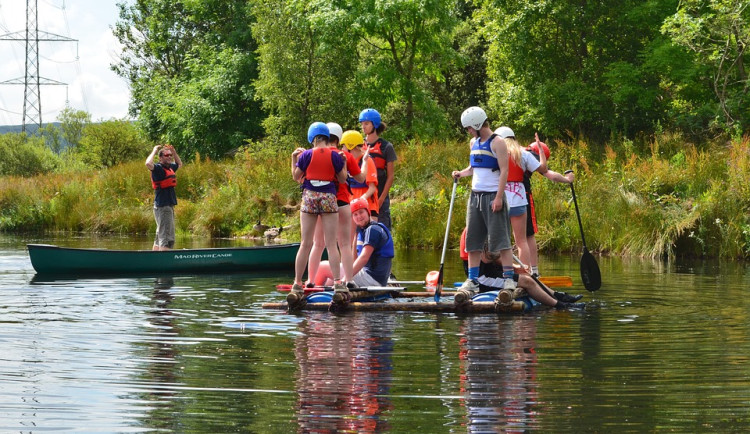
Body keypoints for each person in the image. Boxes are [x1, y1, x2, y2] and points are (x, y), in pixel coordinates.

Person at [452, 106, 517, 309]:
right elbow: (473, 168)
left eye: (470, 128)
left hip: (492, 197)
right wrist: (461, 173)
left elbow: (504, 171)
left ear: (479, 124)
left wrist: (498, 198)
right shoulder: (473, 142)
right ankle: (472, 280)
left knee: (501, 239)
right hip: (475, 196)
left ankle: (508, 279)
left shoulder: (497, 142)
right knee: (473, 239)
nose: (468, 132)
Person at [288, 122, 348, 309]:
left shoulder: (305, 155)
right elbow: (343, 179)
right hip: (329, 197)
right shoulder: (335, 155)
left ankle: (298, 283)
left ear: (312, 138)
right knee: (331, 244)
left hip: (310, 197)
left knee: (306, 243)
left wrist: (293, 159)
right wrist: (343, 163)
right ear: (326, 137)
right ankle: (338, 283)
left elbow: (296, 177)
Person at [305, 124, 367, 288]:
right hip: (342, 203)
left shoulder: (313, 154)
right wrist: (365, 162)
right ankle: (348, 280)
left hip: (321, 205)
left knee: (318, 244)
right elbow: (360, 179)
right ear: (338, 138)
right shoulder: (344, 155)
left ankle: (310, 280)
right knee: (345, 244)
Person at [523, 135, 574, 276]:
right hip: (522, 196)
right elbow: (551, 175)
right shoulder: (531, 156)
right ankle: (533, 272)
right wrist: (568, 180)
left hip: (500, 195)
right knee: (529, 235)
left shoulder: (516, 151)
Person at [359, 108, 397, 231]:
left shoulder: (387, 146)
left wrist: (381, 199)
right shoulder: (358, 146)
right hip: (363, 195)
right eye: (362, 124)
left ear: (374, 124)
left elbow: (390, 176)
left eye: (366, 123)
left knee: (382, 232)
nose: (363, 127)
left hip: (380, 196)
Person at [349, 197, 394, 287]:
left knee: (324, 267)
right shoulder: (362, 231)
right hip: (370, 276)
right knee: (332, 270)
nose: (359, 217)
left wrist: (345, 279)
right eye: (355, 214)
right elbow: (354, 261)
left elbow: (364, 258)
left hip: (372, 279)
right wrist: (356, 234)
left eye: (361, 212)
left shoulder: (372, 229)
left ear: (368, 212)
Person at [146, 144, 182, 251]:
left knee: (160, 234)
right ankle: (164, 262)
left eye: (170, 155)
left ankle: (154, 259)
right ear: (160, 157)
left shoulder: (170, 168)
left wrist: (174, 151)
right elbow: (148, 163)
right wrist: (154, 150)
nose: (169, 157)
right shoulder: (158, 168)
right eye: (167, 155)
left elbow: (179, 164)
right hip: (163, 206)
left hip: (165, 206)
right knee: (167, 237)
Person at [343, 130, 379, 221]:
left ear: (351, 146)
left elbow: (372, 188)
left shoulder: (367, 160)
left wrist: (361, 199)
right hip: (352, 205)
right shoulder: (348, 161)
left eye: (344, 146)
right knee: (352, 235)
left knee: (370, 233)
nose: (342, 149)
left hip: (368, 205)